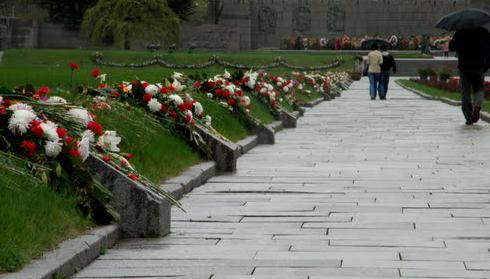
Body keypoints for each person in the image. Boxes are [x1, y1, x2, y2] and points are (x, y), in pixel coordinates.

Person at [449, 27, 490, 125]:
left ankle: (468, 116)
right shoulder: (483, 32)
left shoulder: (461, 31)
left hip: (464, 66)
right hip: (479, 66)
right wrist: (487, 65)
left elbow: (451, 47)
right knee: (479, 89)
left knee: (465, 92)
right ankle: (477, 105)